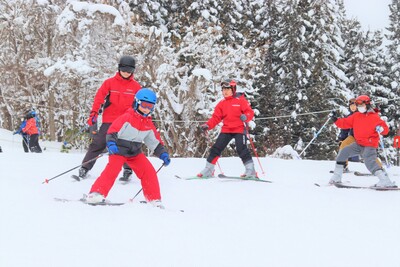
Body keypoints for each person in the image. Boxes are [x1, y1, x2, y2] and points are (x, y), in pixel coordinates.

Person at [86, 88, 171, 207]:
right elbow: (112, 131)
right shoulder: (127, 117)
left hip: (134, 152)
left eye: (150, 106)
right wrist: (111, 144)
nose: (147, 109)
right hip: (118, 150)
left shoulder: (148, 123)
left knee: (149, 172)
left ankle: (154, 199)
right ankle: (96, 193)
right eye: (144, 105)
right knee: (112, 170)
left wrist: (163, 154)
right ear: (137, 102)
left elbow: (154, 142)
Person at [76, 55, 141, 181]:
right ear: (119, 69)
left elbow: (139, 104)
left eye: (129, 71)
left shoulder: (136, 87)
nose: (126, 73)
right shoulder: (109, 83)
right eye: (124, 71)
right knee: (98, 143)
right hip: (110, 120)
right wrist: (94, 113)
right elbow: (99, 98)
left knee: (128, 144)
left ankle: (127, 169)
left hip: (127, 121)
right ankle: (85, 168)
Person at [329, 94, 396, 188]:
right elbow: (344, 123)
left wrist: (381, 129)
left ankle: (385, 181)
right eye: (358, 105)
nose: (359, 107)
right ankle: (336, 177)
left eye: (361, 105)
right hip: (358, 144)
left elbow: (385, 130)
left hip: (370, 144)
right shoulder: (356, 116)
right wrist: (335, 119)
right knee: (343, 152)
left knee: (369, 162)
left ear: (367, 105)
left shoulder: (374, 117)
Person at [197, 79, 256, 178]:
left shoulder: (240, 100)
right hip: (227, 130)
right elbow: (216, 118)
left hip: (239, 129)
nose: (225, 91)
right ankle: (209, 170)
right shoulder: (222, 103)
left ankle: (250, 170)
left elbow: (249, 112)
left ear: (233, 89)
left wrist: (246, 116)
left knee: (241, 148)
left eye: (227, 89)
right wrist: (208, 125)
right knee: (216, 148)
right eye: (223, 89)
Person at [336, 98, 360, 172]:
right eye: (351, 106)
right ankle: (343, 166)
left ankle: (379, 168)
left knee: (368, 152)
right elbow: (344, 128)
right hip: (353, 136)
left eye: (354, 105)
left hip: (363, 137)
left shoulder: (362, 115)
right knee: (343, 145)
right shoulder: (349, 116)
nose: (353, 107)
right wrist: (342, 138)